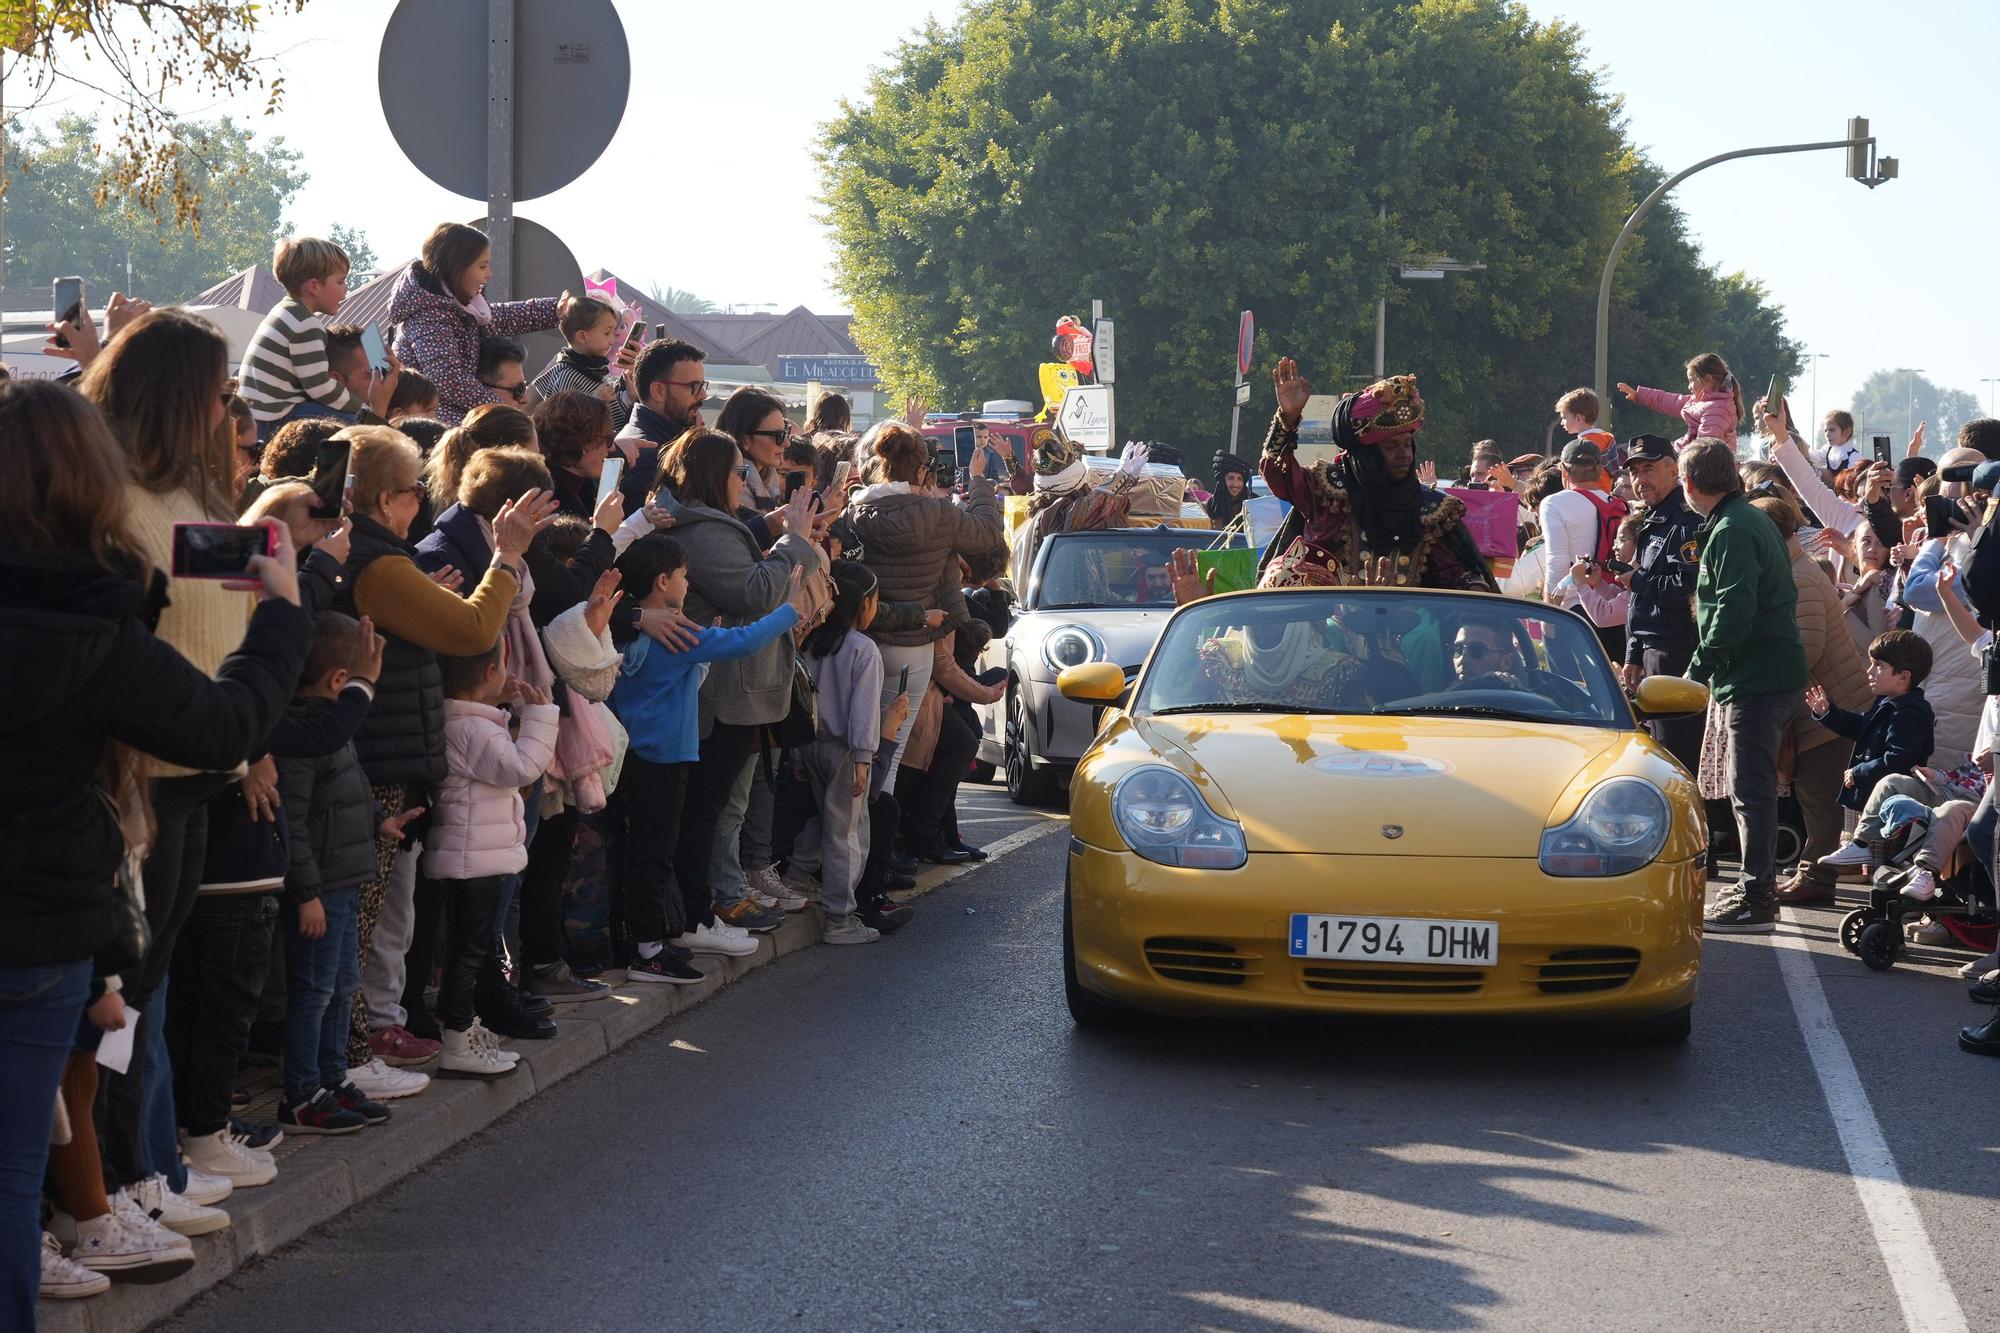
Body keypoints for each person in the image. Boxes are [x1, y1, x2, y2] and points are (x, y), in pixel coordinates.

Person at [0, 380, 312, 1317]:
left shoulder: (149, 555)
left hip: (63, 910)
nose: (229, 409)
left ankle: (133, 1175)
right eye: (216, 392)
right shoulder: (92, 614)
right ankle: (113, 1189)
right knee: (14, 1170)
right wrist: (283, 613)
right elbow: (223, 723)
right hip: (38, 925)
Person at [331, 428, 553, 1071]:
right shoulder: (378, 562)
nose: (420, 503)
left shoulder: (382, 554)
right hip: (378, 754)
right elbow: (475, 630)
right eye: (410, 491)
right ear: (384, 498)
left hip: (389, 749)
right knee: (367, 920)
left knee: (382, 916)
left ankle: (365, 1038)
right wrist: (506, 556)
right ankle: (354, 1048)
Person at [610, 534, 804, 971]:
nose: (687, 583)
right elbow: (743, 642)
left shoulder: (635, 632)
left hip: (637, 756)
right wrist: (789, 610)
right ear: (663, 581)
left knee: (645, 851)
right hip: (666, 759)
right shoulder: (676, 634)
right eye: (683, 576)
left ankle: (654, 937)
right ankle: (650, 948)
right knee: (655, 854)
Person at [657, 431, 824, 937]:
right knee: (714, 806)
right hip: (724, 692)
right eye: (738, 471)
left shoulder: (708, 524)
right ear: (714, 475)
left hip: (733, 687)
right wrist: (794, 540)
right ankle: (709, 908)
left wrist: (779, 534)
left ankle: (719, 900)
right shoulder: (704, 531)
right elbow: (755, 592)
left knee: (726, 804)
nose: (744, 480)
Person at [276, 612, 425, 1133]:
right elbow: (292, 823)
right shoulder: (306, 735)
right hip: (322, 889)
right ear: (340, 679)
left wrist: (380, 819)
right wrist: (306, 893)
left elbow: (351, 786)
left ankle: (333, 1078)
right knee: (314, 991)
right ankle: (302, 1093)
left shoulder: (333, 728)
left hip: (343, 881)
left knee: (342, 987)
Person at [1679, 438, 1809, 933]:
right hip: (1765, 673)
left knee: (1750, 791)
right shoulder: (1743, 520)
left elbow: (1733, 612)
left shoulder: (1733, 527)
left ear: (1690, 483)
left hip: (1757, 677)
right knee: (1750, 790)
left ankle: (1757, 897)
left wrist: (1696, 670)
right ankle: (1755, 887)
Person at [424, 642, 559, 1075]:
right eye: (503, 666)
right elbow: (521, 767)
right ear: (488, 674)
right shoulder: (472, 728)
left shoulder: (466, 722)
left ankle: (465, 1033)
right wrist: (540, 716)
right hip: (473, 858)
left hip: (472, 853)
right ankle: (458, 1041)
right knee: (469, 952)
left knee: (470, 950)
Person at [1732, 490, 1869, 909]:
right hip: (1821, 704)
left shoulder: (1799, 578)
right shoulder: (1791, 569)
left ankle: (1816, 878)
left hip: (1830, 708)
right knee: (1816, 795)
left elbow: (1804, 650)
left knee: (1820, 796)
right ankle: (1812, 873)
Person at [847, 421, 1005, 780]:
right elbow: (987, 533)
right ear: (922, 471)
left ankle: (860, 813)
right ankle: (875, 811)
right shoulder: (940, 514)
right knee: (891, 752)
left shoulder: (853, 513)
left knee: (856, 746)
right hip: (915, 645)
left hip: (863, 639)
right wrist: (978, 479)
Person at [1261, 359, 1495, 591]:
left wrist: (1475, 590)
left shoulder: (1432, 511)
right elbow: (1277, 473)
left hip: (1407, 617)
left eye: (1407, 444)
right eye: (1391, 446)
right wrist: (1287, 417)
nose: (1404, 454)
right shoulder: (1326, 490)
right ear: (1367, 454)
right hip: (1325, 615)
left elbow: (1457, 575)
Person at [794, 561, 891, 945]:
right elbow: (864, 711)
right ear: (864, 604)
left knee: (826, 819)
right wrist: (864, 758)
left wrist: (799, 756)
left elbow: (802, 701)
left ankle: (797, 876)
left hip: (811, 746)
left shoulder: (813, 644)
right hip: (847, 753)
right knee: (846, 833)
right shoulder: (863, 650)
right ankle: (839, 919)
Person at [387, 221, 561, 424]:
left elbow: (502, 317)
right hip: (428, 421)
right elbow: (449, 380)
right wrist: (500, 411)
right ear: (457, 268)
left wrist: (554, 310)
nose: (489, 274)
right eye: (482, 266)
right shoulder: (429, 316)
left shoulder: (456, 308)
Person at [239, 236, 393, 437]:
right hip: (275, 417)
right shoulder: (305, 324)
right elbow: (320, 387)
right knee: (355, 426)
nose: (346, 288)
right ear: (314, 286)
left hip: (258, 414)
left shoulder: (285, 311)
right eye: (340, 281)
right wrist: (361, 407)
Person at [1806, 630, 1936, 816]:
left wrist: (1859, 773)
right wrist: (1828, 713)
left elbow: (1898, 760)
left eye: (1879, 666)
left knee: (1864, 836)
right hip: (1865, 796)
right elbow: (1862, 727)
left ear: (1903, 677)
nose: (1870, 671)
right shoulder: (1886, 702)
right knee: (1851, 835)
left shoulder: (1910, 714)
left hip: (1885, 805)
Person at [1008, 426, 1145, 588]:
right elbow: (1086, 510)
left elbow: (1101, 514)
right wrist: (1120, 476)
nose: (1086, 489)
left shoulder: (1057, 507)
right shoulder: (1054, 513)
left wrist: (1126, 479)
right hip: (1059, 597)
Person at [1538, 438, 1626, 654]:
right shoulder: (1620, 505)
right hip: (1614, 606)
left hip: (1573, 610)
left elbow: (1557, 561)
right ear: (1600, 469)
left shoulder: (1554, 503)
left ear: (1563, 469)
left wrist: (1549, 614)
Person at [614, 338, 708, 512]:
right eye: (694, 386)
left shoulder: (665, 442)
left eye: (703, 385)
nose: (703, 395)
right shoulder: (644, 457)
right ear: (658, 391)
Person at [529, 293, 635, 431]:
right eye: (607, 333)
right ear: (582, 336)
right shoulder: (566, 375)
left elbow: (614, 415)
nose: (612, 341)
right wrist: (594, 402)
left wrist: (629, 396)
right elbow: (560, 425)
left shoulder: (591, 371)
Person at [1615, 352, 1744, 450]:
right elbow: (1670, 401)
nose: (1689, 386)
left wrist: (1678, 462)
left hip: (1698, 465)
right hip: (1688, 454)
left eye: (1692, 380)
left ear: (1708, 380)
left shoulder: (1717, 411)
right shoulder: (1703, 402)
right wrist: (1639, 395)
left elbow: (1703, 449)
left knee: (1641, 452)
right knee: (1635, 450)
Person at [716, 385, 793, 512]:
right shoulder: (730, 489)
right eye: (778, 435)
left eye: (786, 432)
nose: (786, 443)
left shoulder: (769, 480)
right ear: (745, 440)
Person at [1555, 388, 1618, 475]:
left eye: (1564, 418)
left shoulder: (1581, 445)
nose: (1561, 422)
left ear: (1578, 418)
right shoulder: (1609, 438)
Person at [1206, 452, 1253, 527]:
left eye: (1239, 479)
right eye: (1230, 478)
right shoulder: (1208, 507)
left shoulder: (1253, 505)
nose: (1235, 484)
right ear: (1222, 480)